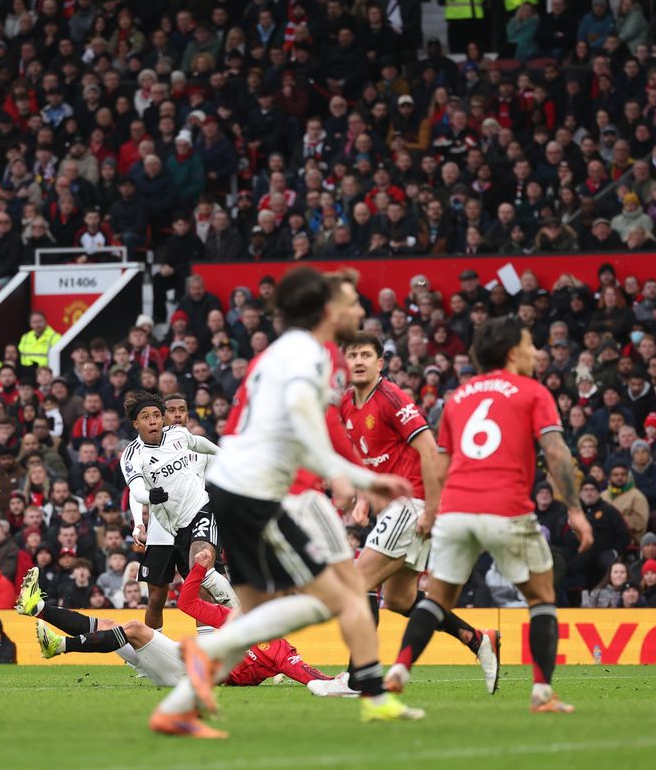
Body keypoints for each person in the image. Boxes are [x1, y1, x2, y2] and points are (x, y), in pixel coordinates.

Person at [148, 268, 420, 738]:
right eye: (353, 301)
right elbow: (299, 410)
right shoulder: (307, 352)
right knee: (335, 598)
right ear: (328, 310)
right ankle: (371, 695)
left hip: (233, 488)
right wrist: (351, 474)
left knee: (257, 616)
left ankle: (176, 708)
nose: (360, 309)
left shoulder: (280, 353)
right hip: (260, 495)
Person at [384, 317, 593, 713]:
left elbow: (439, 464)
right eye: (531, 344)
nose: (536, 352)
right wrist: (575, 510)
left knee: (437, 599)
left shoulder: (459, 396)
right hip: (507, 508)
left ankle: (398, 669)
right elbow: (555, 451)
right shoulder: (532, 391)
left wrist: (434, 510)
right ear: (513, 352)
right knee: (541, 596)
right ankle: (543, 694)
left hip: (456, 509)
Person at [339, 332, 499, 691]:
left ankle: (357, 677)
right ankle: (478, 640)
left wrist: (432, 508)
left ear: (381, 363)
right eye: (353, 355)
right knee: (399, 599)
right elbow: (369, 457)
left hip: (413, 503)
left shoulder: (392, 398)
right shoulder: (347, 405)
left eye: (366, 354)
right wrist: (364, 498)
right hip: (392, 506)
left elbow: (430, 450)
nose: (359, 361)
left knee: (359, 580)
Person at [18, 550, 334, 688]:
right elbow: (186, 602)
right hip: (181, 664)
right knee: (108, 626)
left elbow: (310, 676)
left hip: (191, 676)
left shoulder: (282, 652)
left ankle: (59, 647)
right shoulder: (233, 618)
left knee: (134, 629)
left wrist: (347, 682)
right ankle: (38, 608)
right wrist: (197, 569)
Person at [120, 391, 228, 631]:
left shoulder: (186, 441)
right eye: (171, 411)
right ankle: (151, 658)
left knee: (204, 587)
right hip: (161, 532)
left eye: (182, 410)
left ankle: (215, 651)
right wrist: (139, 522)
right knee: (157, 598)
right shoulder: (137, 454)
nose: (177, 415)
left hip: (194, 522)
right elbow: (136, 491)